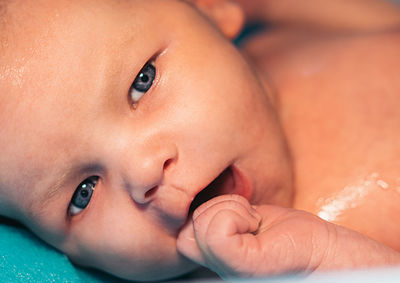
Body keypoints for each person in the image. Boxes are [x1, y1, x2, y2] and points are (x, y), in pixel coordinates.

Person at [0, 0, 400, 281]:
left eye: (143, 81)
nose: (143, 170)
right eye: (82, 194)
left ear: (209, 9)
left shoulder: (288, 40)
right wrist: (325, 261)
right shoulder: (245, 269)